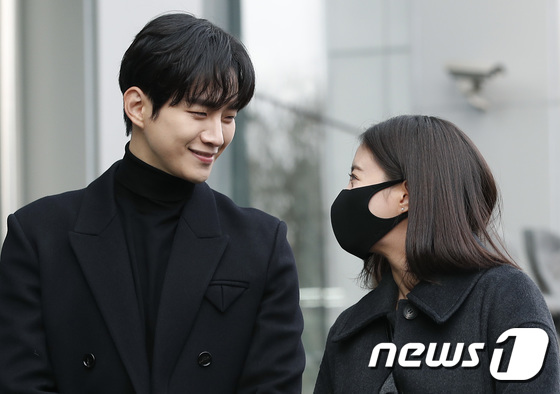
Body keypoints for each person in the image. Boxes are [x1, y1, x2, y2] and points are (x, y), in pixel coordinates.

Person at [0, 12, 305, 393]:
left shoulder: (262, 244)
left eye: (229, 117)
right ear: (138, 107)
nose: (216, 135)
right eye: (200, 113)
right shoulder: (39, 236)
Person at [314, 115, 560, 393]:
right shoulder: (349, 329)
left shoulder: (507, 299)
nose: (346, 193)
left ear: (404, 196)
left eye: (354, 178)